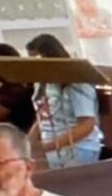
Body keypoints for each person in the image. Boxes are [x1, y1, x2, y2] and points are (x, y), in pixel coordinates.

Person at [26, 34, 103, 168]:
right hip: (51, 146)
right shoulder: (44, 83)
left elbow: (87, 125)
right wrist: (28, 144)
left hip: (79, 148)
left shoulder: (77, 83)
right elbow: (42, 117)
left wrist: (51, 146)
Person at [72, 0, 112, 65]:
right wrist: (86, 31)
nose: (86, 0)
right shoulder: (76, 15)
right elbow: (76, 32)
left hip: (105, 49)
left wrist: (98, 32)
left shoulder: (104, 12)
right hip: (89, 50)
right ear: (77, 1)